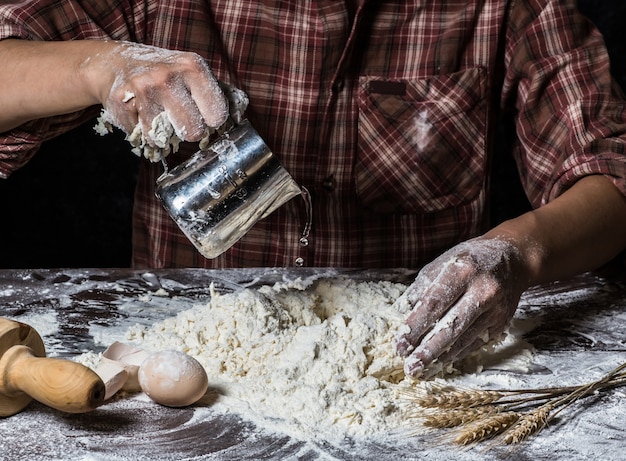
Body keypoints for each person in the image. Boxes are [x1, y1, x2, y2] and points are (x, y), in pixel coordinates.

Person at [1, 0, 625, 379]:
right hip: (187, 359)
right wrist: (99, 66)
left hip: (404, 362)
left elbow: (613, 175)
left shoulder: (507, 8)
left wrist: (515, 252)